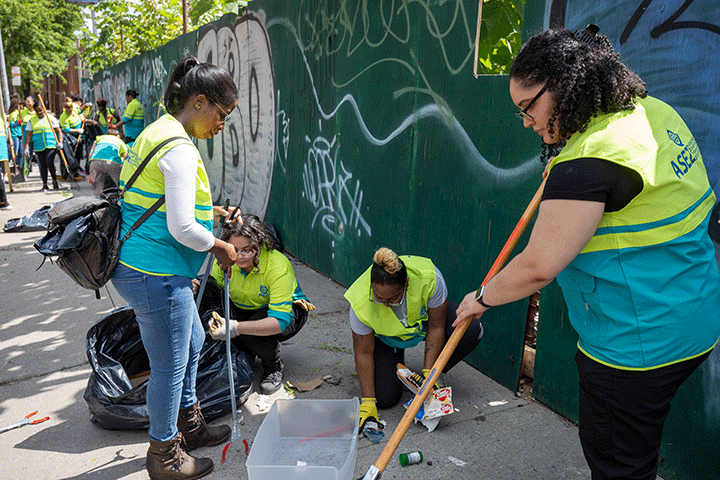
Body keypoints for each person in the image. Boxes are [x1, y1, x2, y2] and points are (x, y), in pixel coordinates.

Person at [453, 26, 720, 480]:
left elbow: (538, 266)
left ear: (564, 84)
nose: (525, 121)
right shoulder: (650, 112)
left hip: (635, 344)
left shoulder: (590, 160)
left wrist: (480, 298)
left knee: (618, 464)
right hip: (693, 317)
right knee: (637, 447)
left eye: (527, 107)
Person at [110, 54, 239, 480]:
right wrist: (219, 244)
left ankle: (189, 423)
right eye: (221, 114)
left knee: (194, 340)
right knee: (168, 366)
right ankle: (165, 456)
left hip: (144, 266)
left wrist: (212, 212)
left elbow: (161, 200)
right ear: (199, 102)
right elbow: (182, 226)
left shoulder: (158, 130)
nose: (222, 124)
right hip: (157, 275)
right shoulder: (180, 150)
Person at [345, 247, 483, 432]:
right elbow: (363, 352)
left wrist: (429, 373)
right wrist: (368, 402)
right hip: (388, 341)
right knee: (385, 398)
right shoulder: (359, 301)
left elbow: (436, 327)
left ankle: (434, 374)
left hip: (425, 324)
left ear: (406, 284)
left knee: (470, 330)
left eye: (393, 298)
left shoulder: (429, 278)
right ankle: (397, 367)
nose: (386, 305)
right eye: (378, 298)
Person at [193, 214, 314, 395]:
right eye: (234, 250)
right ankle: (244, 351)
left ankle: (272, 366)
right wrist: (195, 285)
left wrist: (235, 327)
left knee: (252, 333)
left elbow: (279, 320)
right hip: (244, 306)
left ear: (259, 246)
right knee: (200, 297)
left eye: (247, 250)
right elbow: (214, 285)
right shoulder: (226, 258)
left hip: (287, 312)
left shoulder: (277, 265)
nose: (240, 257)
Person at [24, 99, 62, 191]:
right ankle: (45, 184)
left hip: (51, 145)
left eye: (41, 110)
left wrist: (60, 142)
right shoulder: (32, 120)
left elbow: (59, 131)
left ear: (44, 109)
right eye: (37, 111)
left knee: (49, 162)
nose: (39, 112)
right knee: (42, 165)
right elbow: (29, 134)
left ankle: (54, 180)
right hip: (39, 146)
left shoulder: (51, 118)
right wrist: (27, 146)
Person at [87, 128, 127, 196]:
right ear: (117, 135)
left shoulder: (100, 138)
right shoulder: (119, 140)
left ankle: (98, 202)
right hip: (112, 161)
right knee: (121, 183)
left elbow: (91, 153)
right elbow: (125, 156)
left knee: (98, 186)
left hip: (95, 161)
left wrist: (91, 169)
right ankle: (122, 199)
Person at [7, 96, 24, 175]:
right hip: (15, 135)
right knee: (15, 151)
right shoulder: (13, 114)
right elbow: (10, 124)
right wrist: (17, 123)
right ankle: (5, 163)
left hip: (20, 134)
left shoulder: (19, 113)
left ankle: (20, 168)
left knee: (21, 153)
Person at [19, 96, 35, 173]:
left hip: (36, 136)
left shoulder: (37, 111)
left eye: (29, 101)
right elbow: (13, 117)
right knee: (28, 154)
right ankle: (27, 167)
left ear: (33, 103)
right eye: (26, 101)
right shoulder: (22, 112)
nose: (27, 103)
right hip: (27, 137)